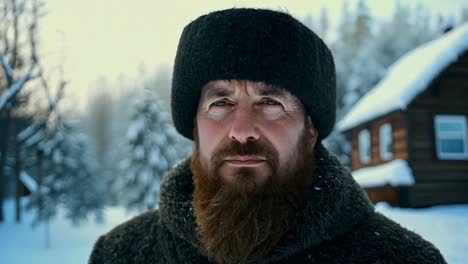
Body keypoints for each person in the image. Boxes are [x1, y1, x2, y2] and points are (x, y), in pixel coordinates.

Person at [89, 8, 445, 264]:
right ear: (194, 126)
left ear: (310, 130)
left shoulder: (405, 259)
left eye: (270, 102)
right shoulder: (120, 254)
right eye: (221, 102)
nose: (242, 130)